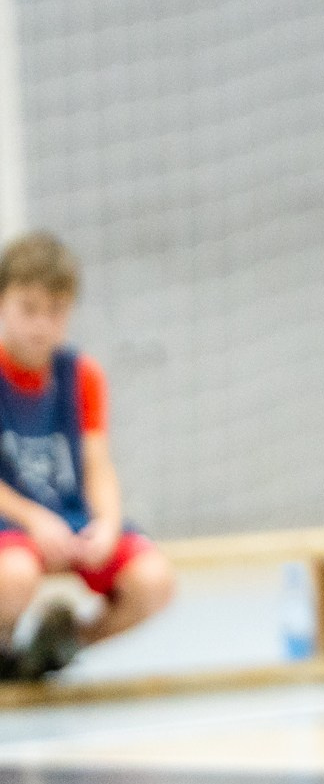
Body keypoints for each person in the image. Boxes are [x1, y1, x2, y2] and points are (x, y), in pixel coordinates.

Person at [0, 232, 176, 678]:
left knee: (154, 582)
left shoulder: (81, 376)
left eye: (55, 311)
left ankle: (57, 645)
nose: (42, 324)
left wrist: (108, 524)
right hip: (12, 521)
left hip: (69, 518)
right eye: (29, 309)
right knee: (14, 576)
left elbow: (98, 465)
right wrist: (34, 520)